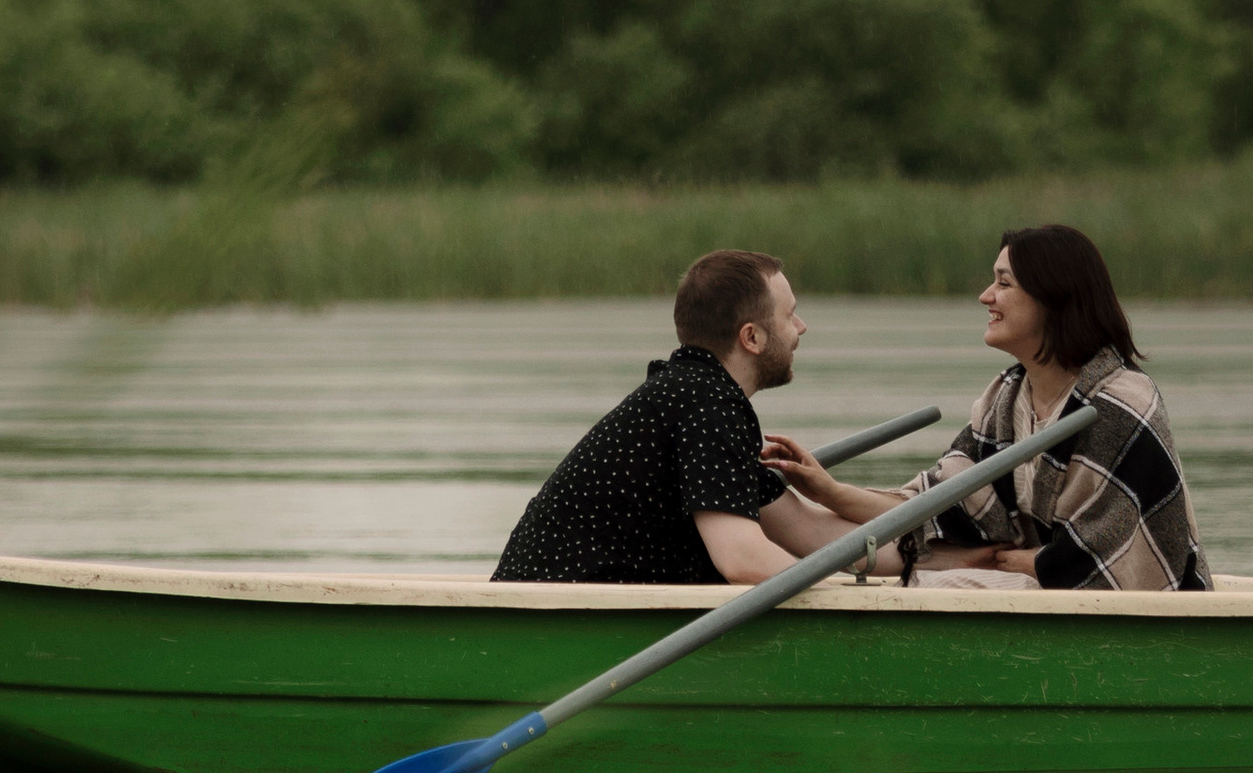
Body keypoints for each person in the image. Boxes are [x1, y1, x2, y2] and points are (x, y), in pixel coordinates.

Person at [765, 223, 1210, 590]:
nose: (985, 296)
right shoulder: (1006, 399)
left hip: (1138, 616)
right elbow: (930, 506)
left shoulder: (1121, 402)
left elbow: (1105, 562)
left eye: (1004, 283)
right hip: (1049, 599)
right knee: (929, 569)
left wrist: (1012, 563)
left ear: (1053, 299)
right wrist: (824, 489)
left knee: (942, 580)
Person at [493, 249, 860, 587]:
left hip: (559, 608)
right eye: (788, 314)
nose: (800, 327)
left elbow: (811, 530)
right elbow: (741, 557)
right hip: (552, 617)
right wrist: (839, 597)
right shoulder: (707, 405)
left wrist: (914, 549)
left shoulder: (691, 394)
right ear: (752, 337)